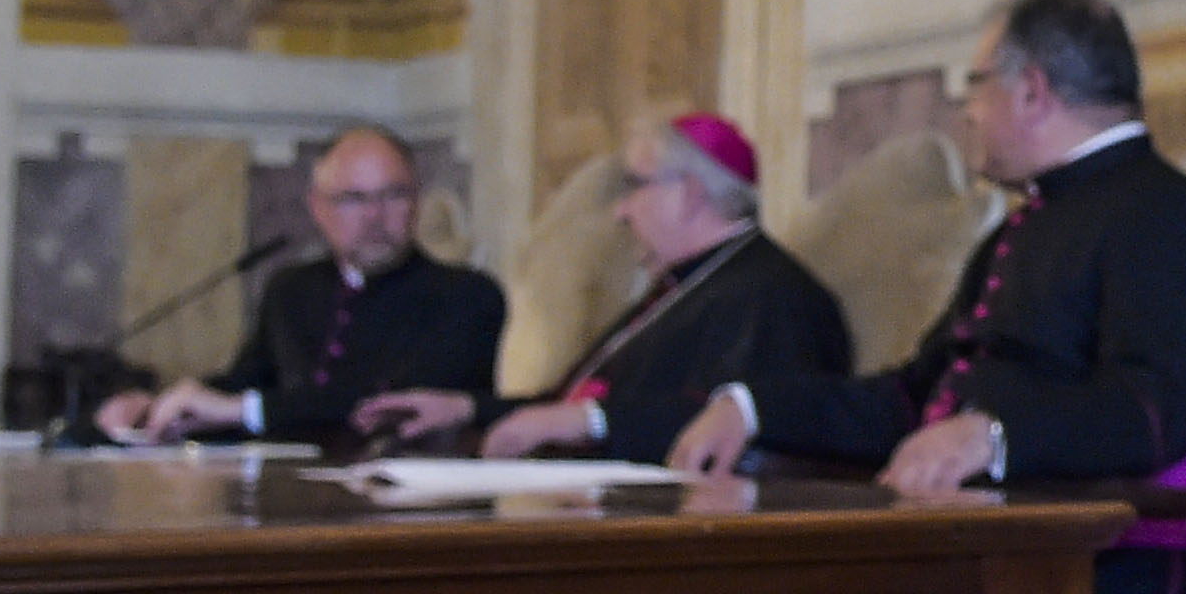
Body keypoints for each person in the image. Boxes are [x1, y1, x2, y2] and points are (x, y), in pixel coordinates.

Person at [668, 0, 1186, 594]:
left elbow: (1156, 408)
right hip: (982, 548)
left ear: (1031, 91)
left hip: (1083, 574)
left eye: (975, 85)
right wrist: (751, 407)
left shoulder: (1164, 214)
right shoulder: (1027, 224)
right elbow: (913, 400)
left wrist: (993, 436)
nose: (967, 112)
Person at [355, 112, 849, 463]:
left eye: (635, 186)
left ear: (690, 193)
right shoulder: (681, 286)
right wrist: (465, 408)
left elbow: (742, 423)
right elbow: (571, 405)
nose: (621, 211)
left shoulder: (774, 296)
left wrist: (589, 422)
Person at [92, 129, 504, 447]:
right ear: (317, 207)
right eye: (353, 198)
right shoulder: (292, 289)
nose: (375, 216)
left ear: (416, 201)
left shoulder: (467, 296)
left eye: (393, 195)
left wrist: (243, 410)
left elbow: (382, 403)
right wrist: (158, 407)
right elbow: (244, 383)